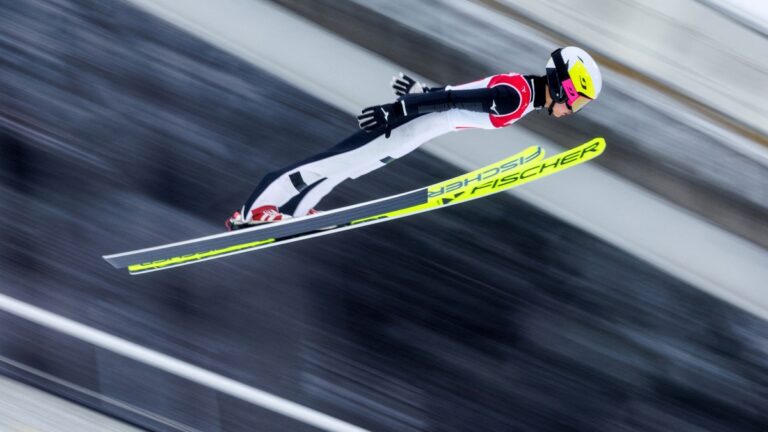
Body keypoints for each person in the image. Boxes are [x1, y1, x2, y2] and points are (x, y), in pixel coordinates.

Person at [226, 46, 602, 230]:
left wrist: (421, 92)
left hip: (414, 130)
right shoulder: (516, 96)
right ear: (562, 84)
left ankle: (289, 214)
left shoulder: (522, 94)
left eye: (580, 104)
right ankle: (251, 212)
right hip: (407, 125)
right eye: (576, 99)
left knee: (347, 170)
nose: (573, 109)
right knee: (328, 164)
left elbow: (458, 96)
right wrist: (400, 109)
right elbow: (454, 99)